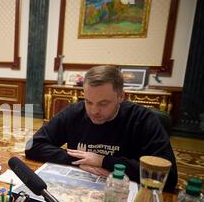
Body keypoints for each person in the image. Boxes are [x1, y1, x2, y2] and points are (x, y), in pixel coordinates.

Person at [25, 65, 178, 192]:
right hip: (80, 189)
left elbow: (168, 177)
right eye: (89, 102)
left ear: (121, 97)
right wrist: (80, 160)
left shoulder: (142, 119)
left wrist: (104, 161)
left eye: (103, 103)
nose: (93, 111)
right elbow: (33, 146)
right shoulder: (74, 113)